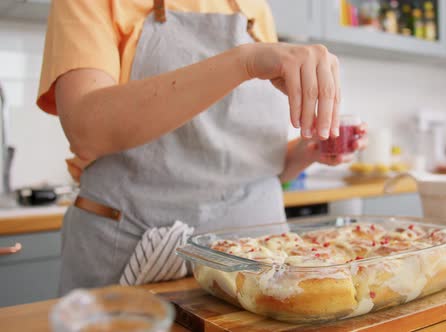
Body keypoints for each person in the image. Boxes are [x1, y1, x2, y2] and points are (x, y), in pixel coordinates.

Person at [37, 0, 367, 294]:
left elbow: (248, 164)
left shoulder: (253, 7)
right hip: (133, 264)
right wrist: (244, 61)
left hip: (256, 264)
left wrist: (303, 152)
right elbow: (87, 128)